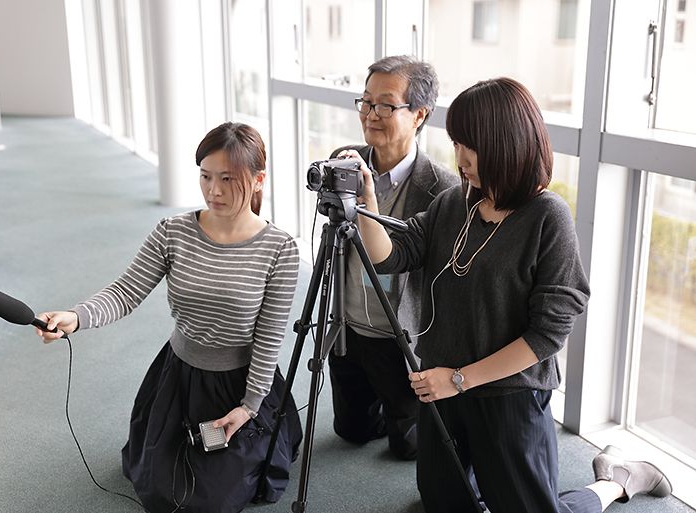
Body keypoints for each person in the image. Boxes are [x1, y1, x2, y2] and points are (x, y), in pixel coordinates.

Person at [352, 77, 672, 512]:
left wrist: (459, 378)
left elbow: (546, 336)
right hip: (444, 390)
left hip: (508, 396)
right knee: (441, 502)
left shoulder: (547, 217)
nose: (458, 156)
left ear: (506, 144)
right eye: (456, 142)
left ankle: (616, 480)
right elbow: (391, 256)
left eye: (469, 145)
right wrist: (367, 204)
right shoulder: (454, 203)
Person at [34, 122, 303, 513]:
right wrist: (76, 317)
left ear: (259, 180)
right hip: (180, 377)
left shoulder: (280, 248)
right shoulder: (173, 230)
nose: (214, 190)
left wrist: (248, 407)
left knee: (212, 499)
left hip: (241, 385)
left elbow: (269, 338)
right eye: (206, 177)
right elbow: (125, 292)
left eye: (228, 179)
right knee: (165, 492)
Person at [328, 55, 458, 460]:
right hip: (349, 327)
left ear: (420, 114)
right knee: (352, 432)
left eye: (385, 105)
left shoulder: (441, 189)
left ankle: (404, 410)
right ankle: (382, 408)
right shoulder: (346, 160)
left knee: (409, 450)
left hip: (399, 338)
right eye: (366, 102)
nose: (371, 114)